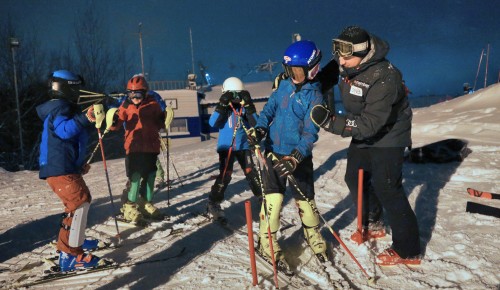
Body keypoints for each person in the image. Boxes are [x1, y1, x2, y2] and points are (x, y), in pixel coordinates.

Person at [310, 26, 421, 266]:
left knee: (387, 187)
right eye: (339, 55)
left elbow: (370, 125)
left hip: (389, 134)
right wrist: (298, 85)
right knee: (354, 178)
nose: (340, 61)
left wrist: (330, 121)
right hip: (363, 127)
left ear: (364, 52)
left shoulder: (385, 76)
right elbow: (321, 80)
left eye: (346, 57)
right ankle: (375, 222)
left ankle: (408, 249)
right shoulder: (346, 62)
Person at [247, 40, 328, 271]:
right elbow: (270, 109)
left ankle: (312, 234)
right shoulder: (283, 85)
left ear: (312, 69)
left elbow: (311, 133)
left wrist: (295, 157)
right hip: (273, 153)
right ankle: (266, 241)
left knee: (306, 200)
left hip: (297, 158)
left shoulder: (315, 97)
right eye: (291, 70)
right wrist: (260, 128)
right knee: (273, 200)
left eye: (299, 71)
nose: (295, 75)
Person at [36, 70, 102, 271]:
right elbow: (65, 131)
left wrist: (77, 164)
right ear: (68, 88)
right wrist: (86, 117)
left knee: (80, 202)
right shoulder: (60, 108)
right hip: (59, 168)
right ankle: (71, 255)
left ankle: (75, 241)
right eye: (77, 89)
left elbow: (69, 142)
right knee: (79, 203)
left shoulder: (64, 108)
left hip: (64, 167)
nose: (80, 93)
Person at [109, 75, 166, 222]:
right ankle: (129, 206)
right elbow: (115, 125)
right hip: (134, 147)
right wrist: (113, 120)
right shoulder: (125, 106)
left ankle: (145, 202)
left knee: (150, 176)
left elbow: (160, 123)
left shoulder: (153, 104)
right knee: (135, 177)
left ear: (145, 93)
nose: (134, 98)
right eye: (131, 94)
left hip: (151, 147)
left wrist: (163, 119)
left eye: (138, 94)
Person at [206, 77, 262, 221]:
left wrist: (249, 105)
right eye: (233, 95)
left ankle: (261, 197)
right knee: (226, 174)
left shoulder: (243, 109)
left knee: (251, 172)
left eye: (238, 95)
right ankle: (214, 202)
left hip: (243, 146)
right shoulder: (224, 109)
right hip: (226, 147)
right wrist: (222, 105)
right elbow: (213, 123)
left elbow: (256, 123)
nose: (235, 99)